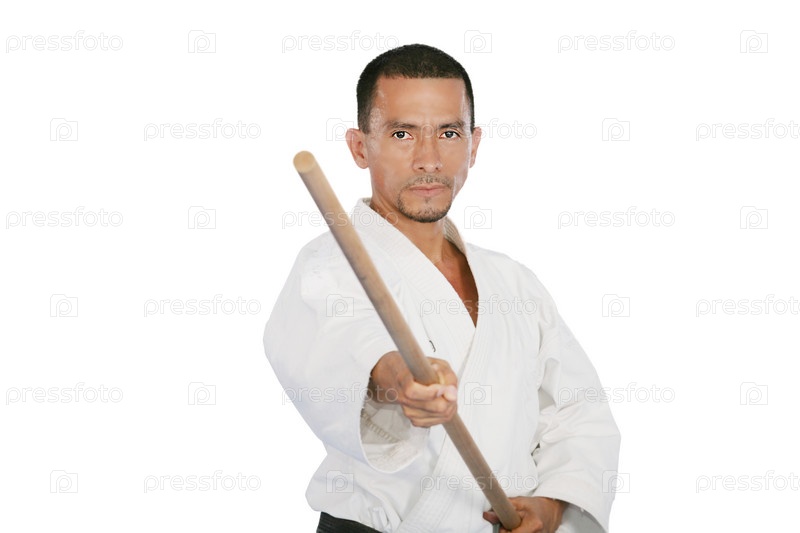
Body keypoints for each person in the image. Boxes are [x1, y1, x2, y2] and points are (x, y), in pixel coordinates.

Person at [264, 44, 621, 533]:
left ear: (473, 145)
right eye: (402, 133)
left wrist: (552, 505)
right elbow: (343, 345)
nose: (429, 159)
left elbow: (578, 411)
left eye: (449, 133)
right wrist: (400, 381)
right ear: (359, 147)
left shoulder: (514, 282)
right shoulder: (328, 266)